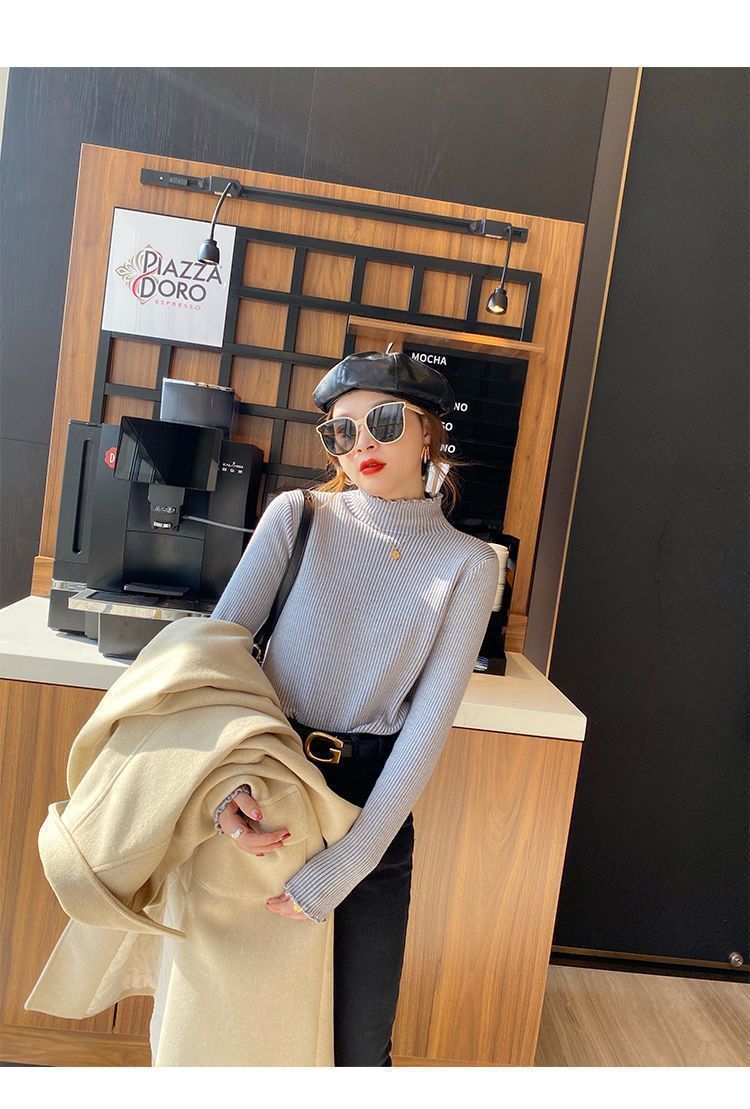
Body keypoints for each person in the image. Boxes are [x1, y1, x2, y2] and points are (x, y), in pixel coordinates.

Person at [209, 350, 500, 1066]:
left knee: (358, 1050)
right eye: (341, 431)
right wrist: (224, 784)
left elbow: (427, 726)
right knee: (237, 1033)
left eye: (384, 421)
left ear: (428, 433)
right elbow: (217, 658)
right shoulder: (297, 516)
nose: (360, 442)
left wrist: (351, 862)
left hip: (372, 805)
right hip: (268, 782)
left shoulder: (469, 563)